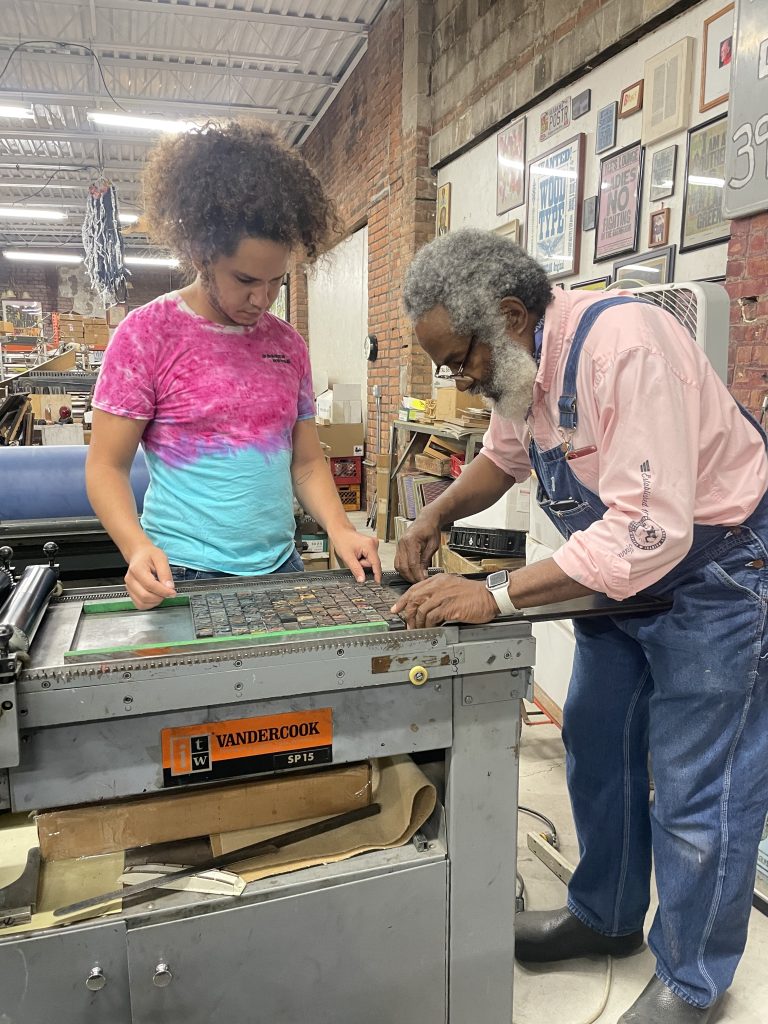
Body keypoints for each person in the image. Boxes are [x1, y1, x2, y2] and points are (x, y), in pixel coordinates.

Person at [392, 228, 768, 1024]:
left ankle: (692, 981)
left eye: (462, 359)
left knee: (702, 787)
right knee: (596, 745)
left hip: (717, 575)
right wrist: (435, 513)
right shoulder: (523, 369)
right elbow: (506, 457)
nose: (457, 378)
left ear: (510, 314)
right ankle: (605, 918)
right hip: (625, 585)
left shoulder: (622, 347)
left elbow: (647, 530)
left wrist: (492, 593)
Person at [86, 122, 380, 609]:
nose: (262, 298)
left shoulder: (287, 344)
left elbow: (305, 463)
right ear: (201, 254)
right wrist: (136, 548)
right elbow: (106, 466)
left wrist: (340, 528)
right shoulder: (146, 336)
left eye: (276, 281)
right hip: (182, 573)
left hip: (282, 569)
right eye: (245, 279)